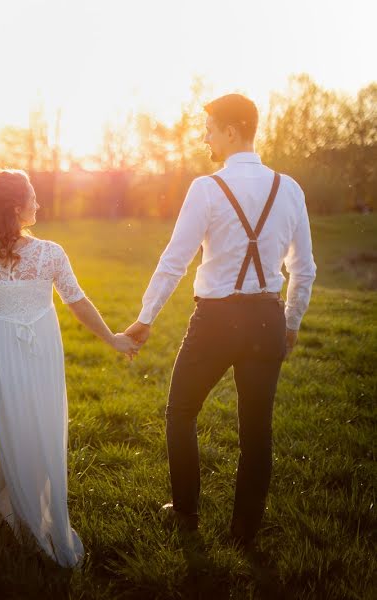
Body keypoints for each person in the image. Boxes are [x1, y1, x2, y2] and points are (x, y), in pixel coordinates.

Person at [124, 93, 317, 548]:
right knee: (257, 431)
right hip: (268, 320)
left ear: (232, 131)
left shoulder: (207, 188)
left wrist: (146, 317)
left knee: (180, 412)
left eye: (209, 127)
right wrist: (290, 322)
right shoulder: (288, 188)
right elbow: (303, 267)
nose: (204, 136)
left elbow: (176, 259)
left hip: (214, 321)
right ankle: (244, 532)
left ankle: (186, 513)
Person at [0, 168, 138, 568]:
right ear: (16, 207)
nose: (38, 204)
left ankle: (2, 507)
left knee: (34, 427)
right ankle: (9, 510)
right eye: (32, 198)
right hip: (6, 355)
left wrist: (112, 337)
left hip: (37, 352)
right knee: (17, 428)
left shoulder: (43, 253)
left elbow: (75, 301)